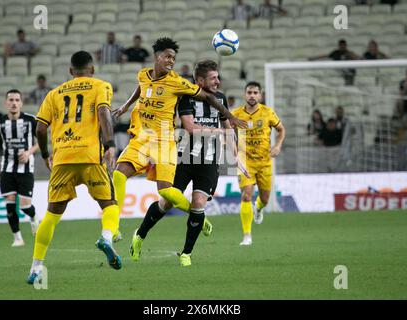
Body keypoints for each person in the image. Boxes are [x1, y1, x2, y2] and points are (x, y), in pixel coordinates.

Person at [111, 37, 246, 261]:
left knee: (199, 204)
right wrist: (126, 105)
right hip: (183, 156)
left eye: (174, 57)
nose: (218, 82)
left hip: (207, 158)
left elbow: (226, 126)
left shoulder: (217, 97)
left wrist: (236, 155)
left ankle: (186, 254)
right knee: (165, 200)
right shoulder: (182, 93)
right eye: (213, 78)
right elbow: (190, 127)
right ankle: (139, 234)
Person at [26, 51, 122, 284]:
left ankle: (36, 267)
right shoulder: (101, 86)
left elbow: (40, 129)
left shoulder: (54, 94)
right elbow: (103, 114)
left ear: (71, 71)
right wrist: (109, 144)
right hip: (90, 156)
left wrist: (46, 155)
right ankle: (106, 238)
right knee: (109, 203)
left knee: (52, 214)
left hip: (62, 159)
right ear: (92, 69)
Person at [231, 81, 285, 246]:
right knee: (246, 195)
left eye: (255, 93)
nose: (252, 95)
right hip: (245, 162)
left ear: (260, 95)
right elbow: (227, 135)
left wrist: (277, 145)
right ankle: (247, 236)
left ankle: (259, 208)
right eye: (249, 92)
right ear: (244, 94)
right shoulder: (236, 114)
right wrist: (235, 155)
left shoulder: (268, 112)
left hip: (264, 162)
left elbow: (281, 130)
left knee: (265, 199)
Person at [0, 90, 40, 247]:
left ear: (21, 103)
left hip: (26, 169)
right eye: (11, 100)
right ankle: (17, 238)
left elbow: (42, 141)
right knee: (9, 205)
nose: (14, 103)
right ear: (6, 103)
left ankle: (34, 217)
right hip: (7, 169)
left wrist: (29, 152)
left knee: (24, 206)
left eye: (17, 100)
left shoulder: (31, 120)